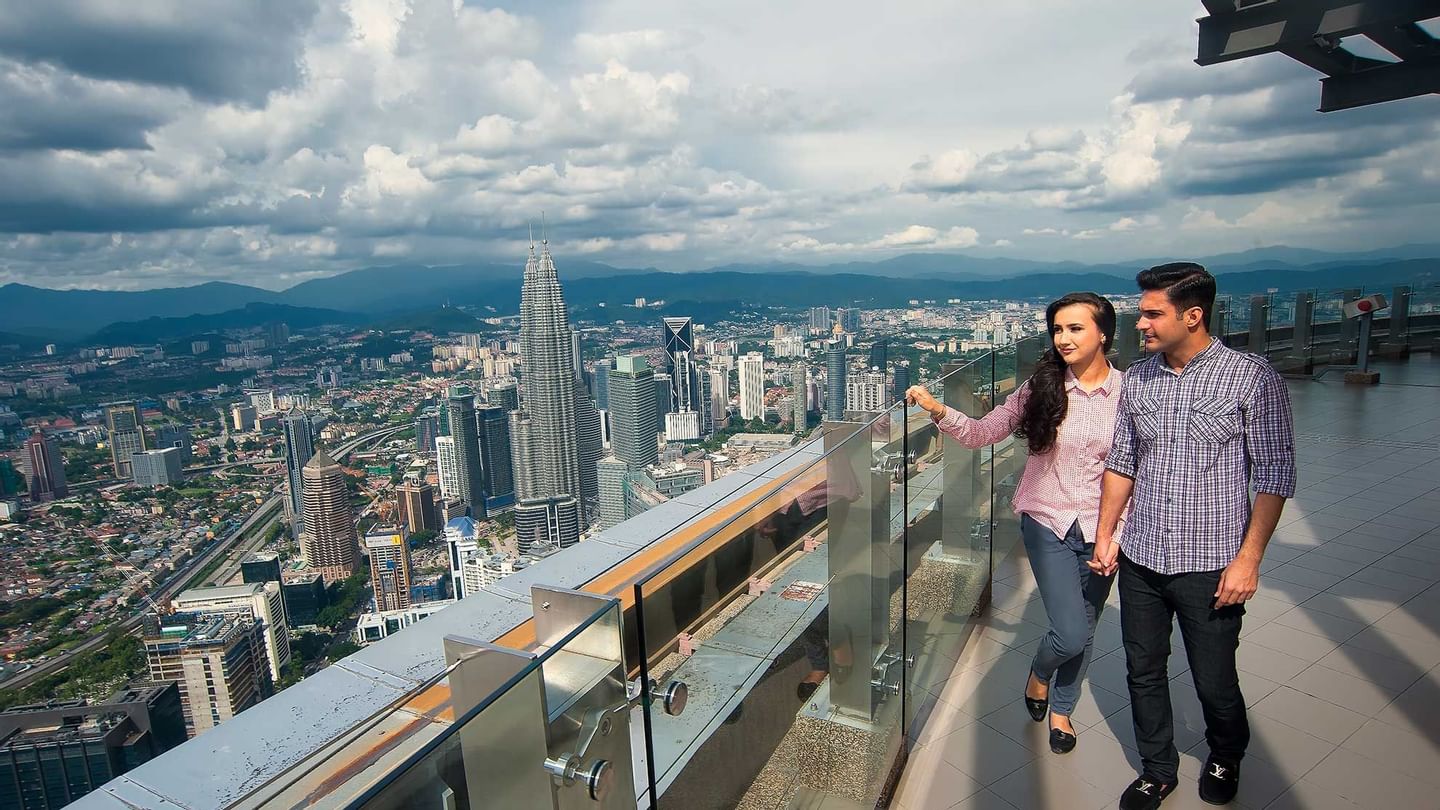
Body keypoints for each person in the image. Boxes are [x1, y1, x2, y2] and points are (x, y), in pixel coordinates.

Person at [1091, 263, 1295, 809]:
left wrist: (1248, 560)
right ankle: (1157, 770)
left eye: (1153, 313)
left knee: (1213, 679)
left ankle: (1226, 753)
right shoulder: (1138, 379)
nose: (1141, 323)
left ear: (1193, 315)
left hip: (1211, 562)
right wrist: (1108, 534)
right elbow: (1123, 461)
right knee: (1143, 670)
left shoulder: (1250, 378)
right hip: (1142, 557)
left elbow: (1275, 475)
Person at [907, 291, 1121, 755]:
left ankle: (1062, 709)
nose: (1063, 338)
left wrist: (1119, 533)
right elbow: (986, 432)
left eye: (1076, 328)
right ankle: (1040, 673)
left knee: (1085, 624)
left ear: (1104, 333)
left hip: (1105, 529)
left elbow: (1139, 468)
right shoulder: (1042, 388)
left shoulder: (1130, 393)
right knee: (1070, 630)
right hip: (1047, 520)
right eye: (1058, 329)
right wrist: (938, 410)